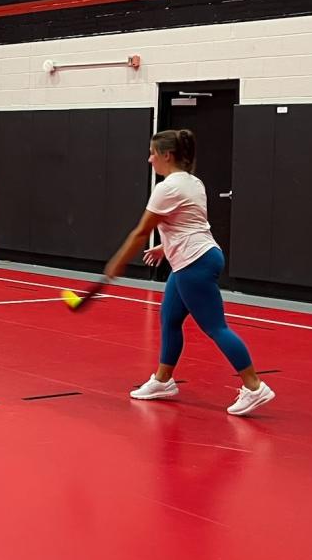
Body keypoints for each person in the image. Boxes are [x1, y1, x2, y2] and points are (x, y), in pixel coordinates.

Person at [103, 129, 274, 416]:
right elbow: (187, 222)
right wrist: (163, 248)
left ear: (166, 155)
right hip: (198, 256)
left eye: (152, 153)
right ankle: (162, 381)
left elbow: (141, 231)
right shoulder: (193, 182)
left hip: (194, 262)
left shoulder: (167, 188)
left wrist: (118, 261)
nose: (149, 159)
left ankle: (254, 387)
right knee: (170, 319)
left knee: (215, 327)